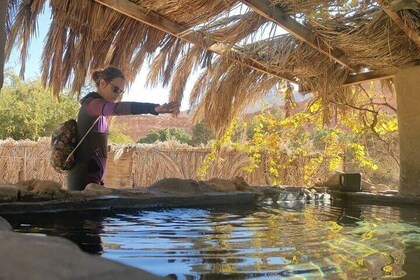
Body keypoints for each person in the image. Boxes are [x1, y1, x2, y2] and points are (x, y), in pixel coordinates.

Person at [67, 66, 179, 191]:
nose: (118, 95)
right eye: (115, 89)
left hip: (93, 177)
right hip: (82, 179)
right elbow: (117, 108)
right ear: (103, 83)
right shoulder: (93, 105)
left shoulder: (100, 112)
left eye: (121, 92)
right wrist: (152, 108)